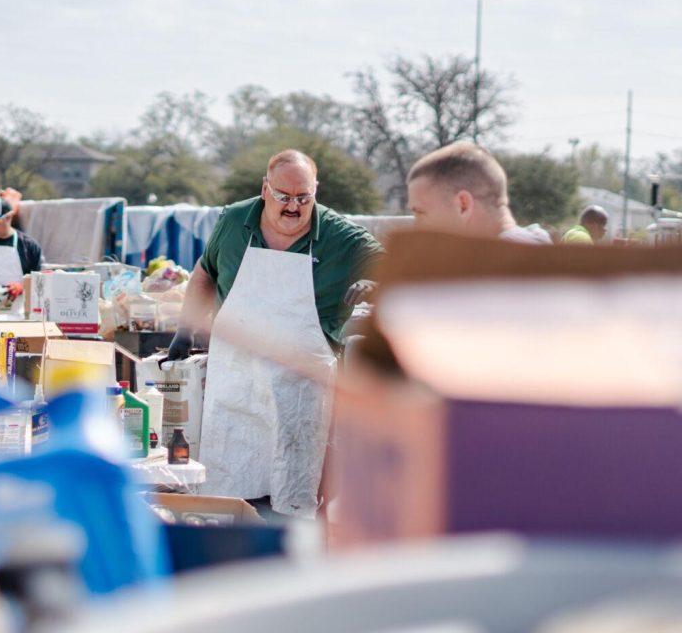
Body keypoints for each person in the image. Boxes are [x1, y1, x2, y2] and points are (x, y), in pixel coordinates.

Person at [172, 150, 384, 517]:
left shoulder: (340, 236)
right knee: (229, 487)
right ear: (265, 188)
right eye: (284, 196)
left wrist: (375, 282)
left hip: (299, 386)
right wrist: (185, 327)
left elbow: (395, 268)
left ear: (315, 192)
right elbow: (206, 271)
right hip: (235, 379)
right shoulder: (236, 220)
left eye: (303, 197)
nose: (293, 207)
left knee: (291, 497)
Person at [405, 142, 551, 244]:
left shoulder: (495, 268)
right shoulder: (538, 253)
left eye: (421, 213)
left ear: (463, 205)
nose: (416, 227)